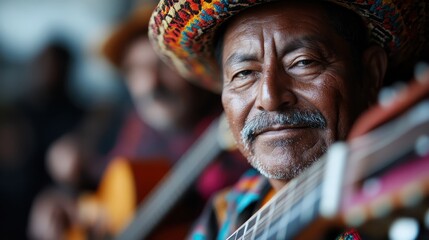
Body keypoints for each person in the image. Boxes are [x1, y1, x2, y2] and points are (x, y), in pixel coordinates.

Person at [148, 0, 429, 239]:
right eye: (244, 73)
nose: (269, 97)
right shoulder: (225, 214)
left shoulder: (405, 190)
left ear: (370, 74)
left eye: (303, 62)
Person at [28, 5, 248, 240]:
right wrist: (62, 199)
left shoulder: (240, 126)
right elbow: (102, 196)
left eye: (164, 65)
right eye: (136, 70)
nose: (150, 84)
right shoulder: (132, 124)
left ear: (193, 65)